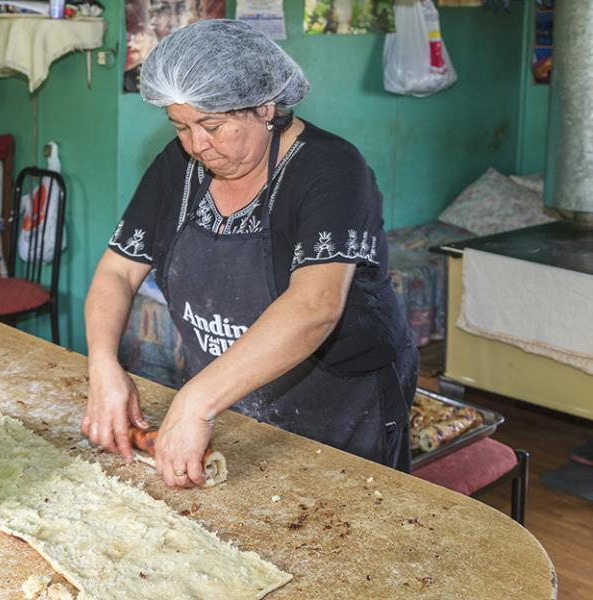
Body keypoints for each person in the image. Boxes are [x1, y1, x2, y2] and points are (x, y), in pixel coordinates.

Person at [84, 20, 417, 488]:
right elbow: (118, 271)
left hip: (340, 412)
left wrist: (196, 400)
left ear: (264, 107)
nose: (197, 145)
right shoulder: (178, 167)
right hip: (234, 407)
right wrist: (103, 364)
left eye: (212, 126)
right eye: (181, 126)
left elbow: (314, 307)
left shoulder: (331, 169)